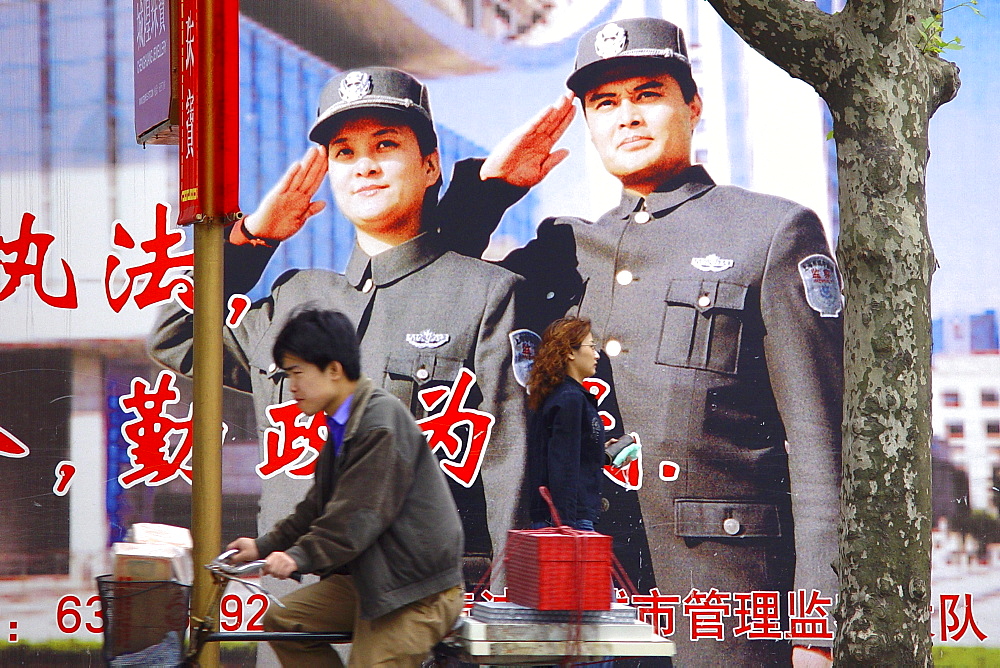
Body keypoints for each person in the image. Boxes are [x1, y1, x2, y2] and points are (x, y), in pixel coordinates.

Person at [447, 17, 843, 667]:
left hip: (728, 615)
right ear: (587, 123)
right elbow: (445, 289)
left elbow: (822, 446)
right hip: (583, 615)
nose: (625, 116)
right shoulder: (561, 248)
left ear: (693, 105)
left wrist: (816, 633)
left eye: (647, 93)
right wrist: (490, 194)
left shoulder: (771, 233)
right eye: (604, 102)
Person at [150, 66, 537, 585]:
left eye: (385, 145)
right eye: (345, 152)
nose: (365, 167)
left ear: (429, 166)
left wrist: (511, 624)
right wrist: (253, 239)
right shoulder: (295, 298)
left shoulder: (486, 293)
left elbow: (508, 474)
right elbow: (173, 333)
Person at [226, 308, 465, 667]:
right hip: (371, 580)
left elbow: (356, 517)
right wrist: (262, 546)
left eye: (297, 373)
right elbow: (315, 509)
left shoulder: (378, 424)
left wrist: (297, 557)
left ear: (334, 370)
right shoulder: (343, 423)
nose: (291, 386)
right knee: (285, 622)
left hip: (415, 591)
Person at [525, 317, 605, 531]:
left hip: (562, 518)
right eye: (592, 347)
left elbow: (568, 455)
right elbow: (563, 464)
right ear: (570, 352)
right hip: (571, 521)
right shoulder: (570, 399)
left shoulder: (559, 396)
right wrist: (566, 526)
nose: (597, 355)